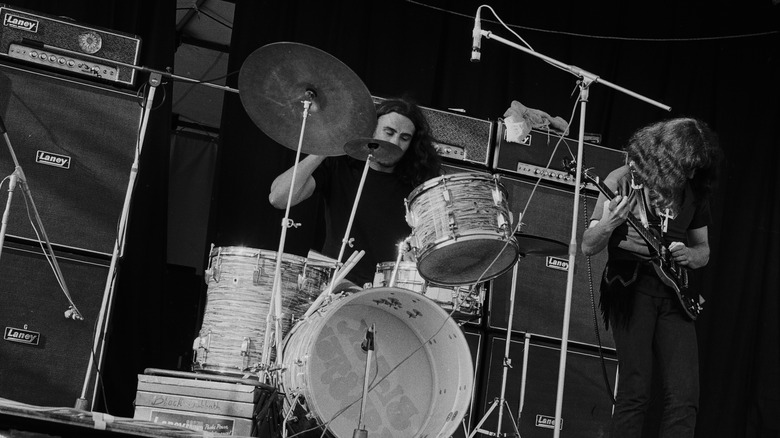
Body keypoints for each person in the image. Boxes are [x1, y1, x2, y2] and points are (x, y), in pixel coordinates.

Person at [581, 117, 722, 437]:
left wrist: (691, 255)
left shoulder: (695, 190)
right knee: (635, 391)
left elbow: (704, 251)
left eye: (695, 168)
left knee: (685, 397)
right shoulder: (622, 179)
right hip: (630, 285)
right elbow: (589, 245)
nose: (690, 174)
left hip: (674, 294)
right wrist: (609, 223)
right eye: (685, 165)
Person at [269, 97, 441, 288]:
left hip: (390, 292)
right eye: (389, 132)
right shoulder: (340, 165)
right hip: (334, 287)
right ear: (371, 129)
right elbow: (278, 198)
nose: (395, 142)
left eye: (404, 138)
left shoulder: (418, 182)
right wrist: (328, 146)